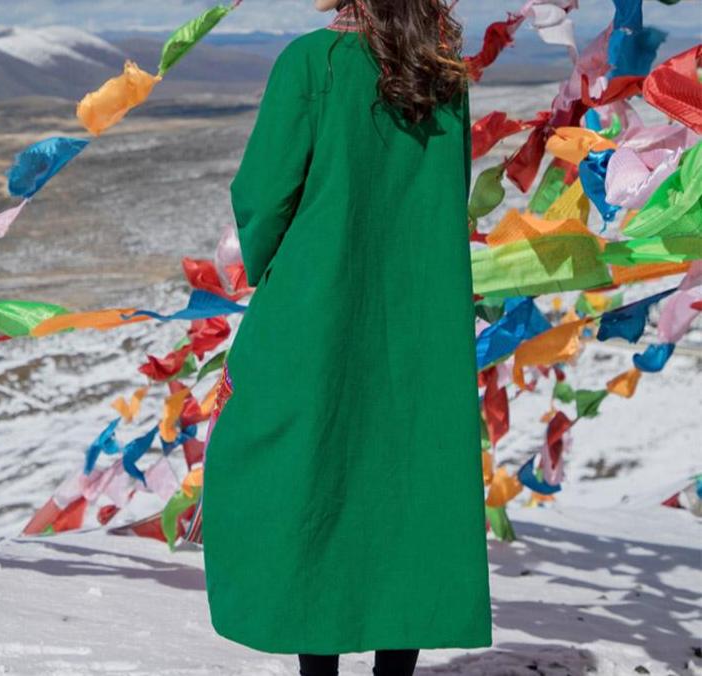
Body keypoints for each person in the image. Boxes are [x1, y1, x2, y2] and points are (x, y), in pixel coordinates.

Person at [201, 0, 492, 674]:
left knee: (307, 479)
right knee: (404, 486)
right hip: (422, 315)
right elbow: (447, 190)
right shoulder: (442, 69)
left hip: (316, 309)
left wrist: (278, 267)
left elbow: (263, 195)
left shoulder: (312, 62)